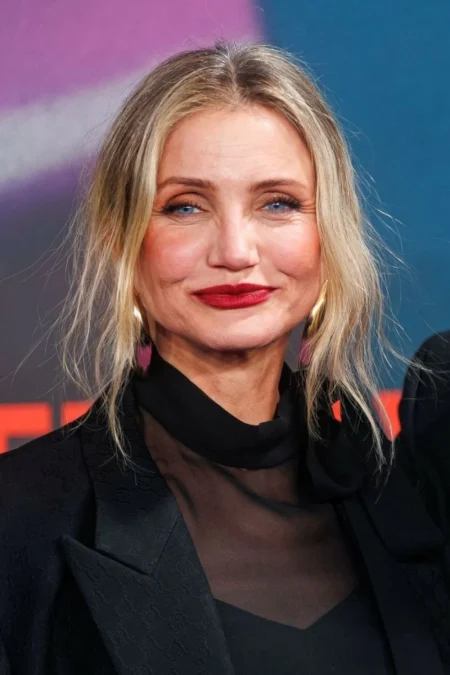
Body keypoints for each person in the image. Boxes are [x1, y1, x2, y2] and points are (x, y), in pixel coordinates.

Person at [0, 42, 449, 675]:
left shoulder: (404, 495)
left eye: (278, 203)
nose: (235, 250)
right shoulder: (21, 519)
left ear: (329, 235)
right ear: (121, 239)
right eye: (185, 206)